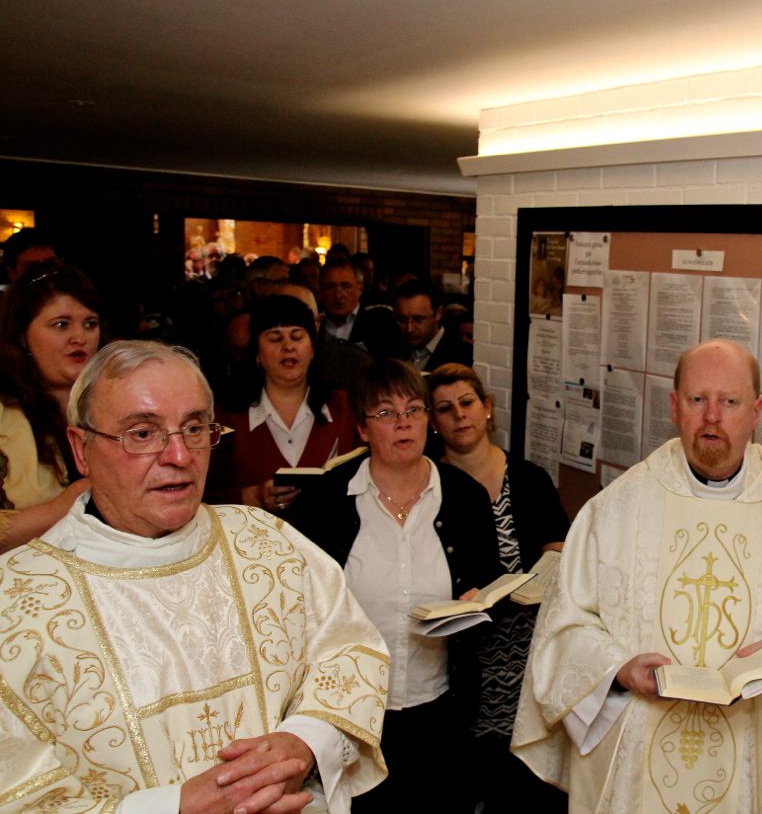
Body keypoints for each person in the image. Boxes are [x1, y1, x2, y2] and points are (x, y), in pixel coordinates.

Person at [0, 340, 388, 811]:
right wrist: (171, 809)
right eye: (143, 433)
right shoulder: (16, 598)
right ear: (82, 449)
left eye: (194, 428)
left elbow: (350, 651)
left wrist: (306, 742)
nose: (180, 456)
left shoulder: (269, 544)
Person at [512, 339, 762, 813]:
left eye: (729, 402)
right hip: (636, 755)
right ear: (674, 406)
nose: (712, 417)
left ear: (756, 411)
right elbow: (562, 626)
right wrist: (617, 669)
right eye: (697, 400)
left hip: (751, 747)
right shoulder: (618, 507)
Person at [293, 358, 501, 813]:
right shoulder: (327, 502)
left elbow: (492, 589)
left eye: (414, 410)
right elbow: (297, 605)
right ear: (364, 429)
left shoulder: (464, 499)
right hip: (349, 714)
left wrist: (476, 604)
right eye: (386, 413)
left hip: (440, 710)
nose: (403, 423)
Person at [428, 363, 568, 812]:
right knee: (471, 779)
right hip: (465, 657)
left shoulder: (529, 478)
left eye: (467, 403)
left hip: (530, 650)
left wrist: (546, 573)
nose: (459, 416)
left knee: (526, 785)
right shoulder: (432, 487)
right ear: (434, 422)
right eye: (445, 409)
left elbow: (559, 550)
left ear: (487, 408)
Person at [209, 295, 359, 516]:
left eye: (297, 337)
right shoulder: (226, 419)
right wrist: (251, 497)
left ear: (313, 349)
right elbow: (203, 497)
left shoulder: (346, 408)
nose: (288, 346)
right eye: (275, 338)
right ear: (257, 354)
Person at [0, 263, 103, 552]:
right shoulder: (5, 413)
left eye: (90, 323)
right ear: (22, 336)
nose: (79, 337)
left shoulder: (115, 402)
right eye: (61, 324)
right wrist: (70, 502)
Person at [319, 259, 400, 359]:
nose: (338, 295)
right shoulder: (311, 326)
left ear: (360, 290)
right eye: (331, 287)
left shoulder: (380, 324)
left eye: (346, 287)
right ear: (321, 290)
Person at [394, 280, 472, 372]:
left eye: (418, 320)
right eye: (402, 320)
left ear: (438, 313)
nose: (409, 329)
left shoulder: (462, 355)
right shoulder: (393, 348)